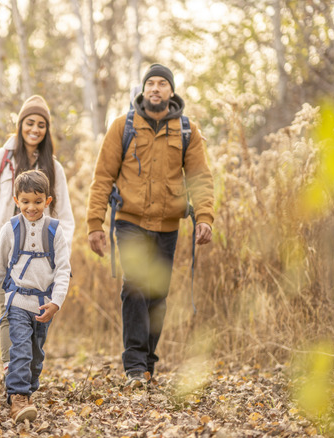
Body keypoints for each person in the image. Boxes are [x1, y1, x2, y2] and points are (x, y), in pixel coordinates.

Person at [86, 64, 215, 388]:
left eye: (162, 84)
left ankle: (147, 364)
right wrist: (95, 224)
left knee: (157, 294)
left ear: (171, 91)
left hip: (168, 225)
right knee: (135, 285)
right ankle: (133, 365)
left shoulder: (187, 131)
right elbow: (102, 177)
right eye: (150, 83)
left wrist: (204, 217)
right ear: (143, 91)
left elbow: (200, 179)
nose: (156, 88)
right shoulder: (123, 126)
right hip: (130, 221)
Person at [0, 95, 74, 377]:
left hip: (40, 260)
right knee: (7, 312)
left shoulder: (54, 167)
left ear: (46, 129)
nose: (35, 129)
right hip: (3, 251)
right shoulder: (0, 160)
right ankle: (12, 373)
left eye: (41, 124)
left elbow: (65, 216)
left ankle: (26, 369)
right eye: (29, 123)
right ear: (20, 125)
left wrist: (63, 255)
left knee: (37, 322)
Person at [0, 170, 71, 423]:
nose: (31, 207)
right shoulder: (10, 229)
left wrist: (56, 302)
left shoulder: (54, 230)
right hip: (16, 301)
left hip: (43, 306)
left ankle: (27, 392)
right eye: (25, 201)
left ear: (47, 201)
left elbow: (63, 270)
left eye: (37, 202)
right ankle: (17, 398)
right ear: (16, 200)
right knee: (21, 350)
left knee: (36, 356)